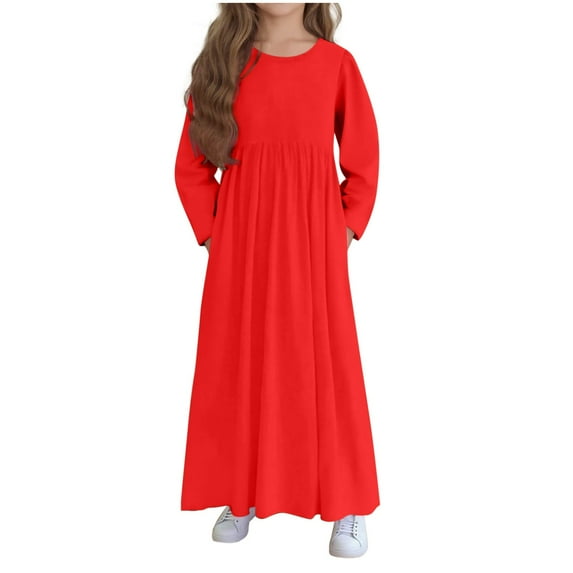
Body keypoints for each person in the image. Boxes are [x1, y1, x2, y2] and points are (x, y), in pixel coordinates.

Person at [174, 3, 380, 558]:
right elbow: (192, 165)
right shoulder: (223, 63)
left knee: (328, 365)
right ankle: (239, 491)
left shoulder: (337, 65)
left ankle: (347, 501)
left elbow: (363, 159)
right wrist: (215, 234)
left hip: (314, 244)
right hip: (241, 246)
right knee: (238, 363)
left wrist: (344, 229)